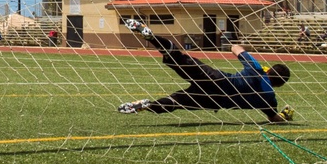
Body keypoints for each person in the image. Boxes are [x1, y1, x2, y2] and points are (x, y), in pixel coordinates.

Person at [117, 19, 293, 123]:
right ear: (280, 84)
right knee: (177, 101)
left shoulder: (256, 69)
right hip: (214, 101)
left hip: (217, 79)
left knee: (178, 58)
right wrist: (284, 116)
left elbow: (235, 48)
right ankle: (148, 106)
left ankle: (152, 37)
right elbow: (273, 118)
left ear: (269, 70)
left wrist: (258, 65)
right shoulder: (269, 98)